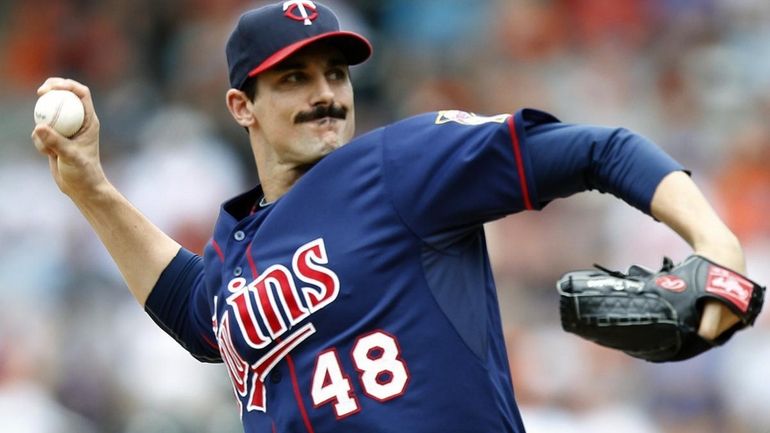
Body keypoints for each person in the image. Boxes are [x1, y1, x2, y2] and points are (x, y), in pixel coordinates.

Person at [31, 1, 748, 432]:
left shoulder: (400, 164)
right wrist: (91, 186)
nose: (326, 95)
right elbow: (200, 313)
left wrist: (714, 240)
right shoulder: (238, 245)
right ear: (241, 107)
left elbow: (596, 148)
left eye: (335, 74)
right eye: (294, 79)